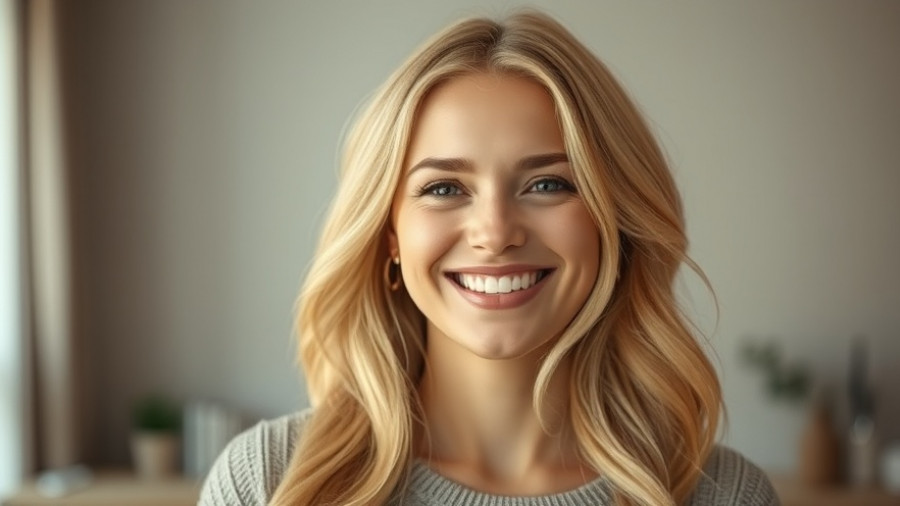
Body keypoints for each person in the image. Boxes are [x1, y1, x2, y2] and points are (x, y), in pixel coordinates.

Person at [200, 10, 779, 506]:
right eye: (444, 189)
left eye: (548, 184)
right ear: (389, 237)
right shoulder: (270, 481)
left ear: (614, 222)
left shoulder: (722, 494)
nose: (495, 233)